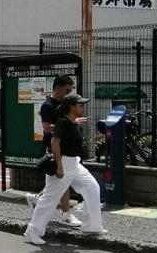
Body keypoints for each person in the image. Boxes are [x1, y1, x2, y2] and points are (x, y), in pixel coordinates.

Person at [25, 94, 106, 244]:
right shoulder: (63, 122)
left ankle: (92, 226)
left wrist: (75, 122)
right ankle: (33, 231)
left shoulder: (70, 122)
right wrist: (60, 167)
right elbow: (55, 144)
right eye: (80, 105)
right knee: (49, 199)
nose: (83, 107)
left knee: (92, 187)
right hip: (64, 163)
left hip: (74, 163)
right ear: (71, 107)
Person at [26, 75, 82, 228]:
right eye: (67, 90)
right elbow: (46, 128)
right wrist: (69, 124)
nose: (69, 93)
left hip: (65, 147)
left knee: (58, 184)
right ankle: (65, 214)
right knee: (61, 182)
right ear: (57, 87)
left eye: (71, 90)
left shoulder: (65, 104)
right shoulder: (48, 105)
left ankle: (36, 199)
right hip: (52, 146)